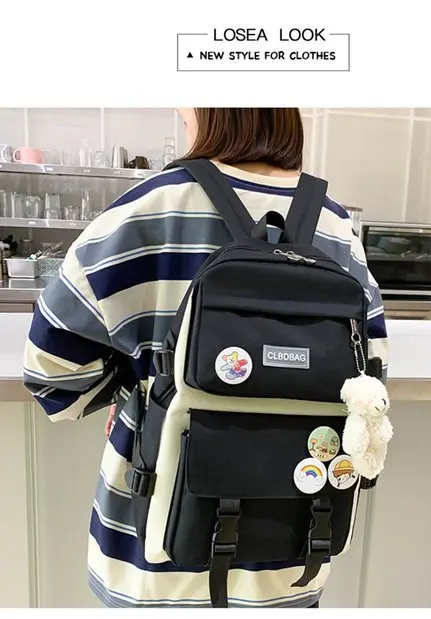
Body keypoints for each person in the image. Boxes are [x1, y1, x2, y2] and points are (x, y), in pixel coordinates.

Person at [24, 108, 388, 609]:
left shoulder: (147, 208)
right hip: (294, 551)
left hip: (152, 557)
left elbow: (52, 374)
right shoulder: (336, 226)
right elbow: (370, 378)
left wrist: (137, 386)